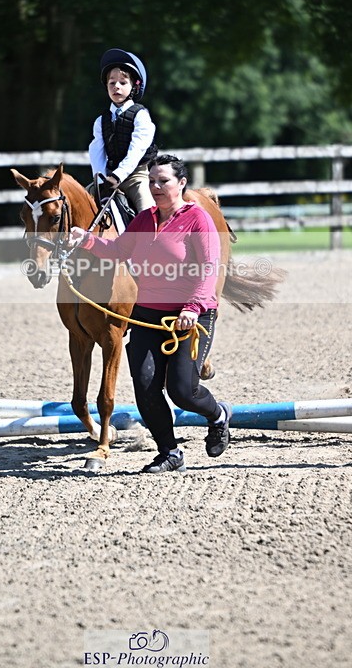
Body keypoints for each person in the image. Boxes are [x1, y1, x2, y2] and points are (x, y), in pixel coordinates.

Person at [68, 154, 232, 473]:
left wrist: (193, 307)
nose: (156, 187)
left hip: (192, 317)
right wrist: (87, 241)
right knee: (145, 385)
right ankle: (169, 452)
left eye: (164, 181)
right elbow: (117, 251)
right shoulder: (144, 220)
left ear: (181, 183)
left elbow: (210, 268)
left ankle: (219, 415)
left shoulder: (198, 220)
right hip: (148, 315)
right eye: (152, 181)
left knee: (183, 392)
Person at [89, 48, 158, 214]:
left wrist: (119, 175)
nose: (116, 87)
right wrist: (101, 180)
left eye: (123, 82)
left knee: (147, 213)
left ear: (134, 86)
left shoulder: (141, 116)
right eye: (112, 83)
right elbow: (96, 152)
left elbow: (137, 149)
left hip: (135, 178)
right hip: (109, 178)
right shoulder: (100, 121)